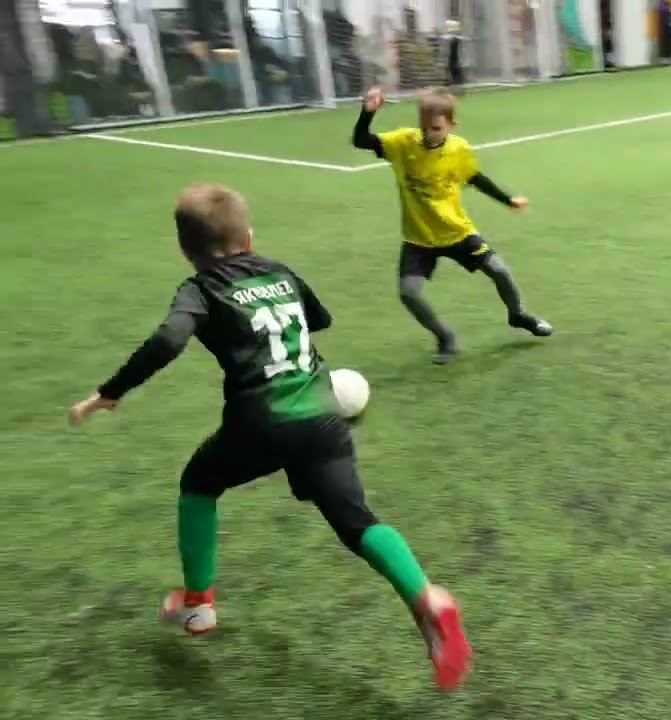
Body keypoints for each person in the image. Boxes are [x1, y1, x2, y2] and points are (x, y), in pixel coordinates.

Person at [67, 184, 472, 692]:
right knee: (357, 522)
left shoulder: (200, 288)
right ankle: (426, 596)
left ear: (187, 252)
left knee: (198, 484)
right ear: (250, 237)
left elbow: (170, 338)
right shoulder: (280, 272)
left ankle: (198, 606)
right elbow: (319, 319)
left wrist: (109, 393)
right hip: (323, 414)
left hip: (259, 422)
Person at [351, 87, 553, 365]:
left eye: (436, 128)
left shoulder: (459, 149)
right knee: (408, 294)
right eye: (424, 126)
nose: (429, 133)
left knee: (499, 271)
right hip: (419, 238)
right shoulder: (403, 142)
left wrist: (509, 201)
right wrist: (368, 113)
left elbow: (476, 178)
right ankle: (445, 338)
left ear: (451, 125)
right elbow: (361, 140)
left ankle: (518, 315)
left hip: (457, 232)